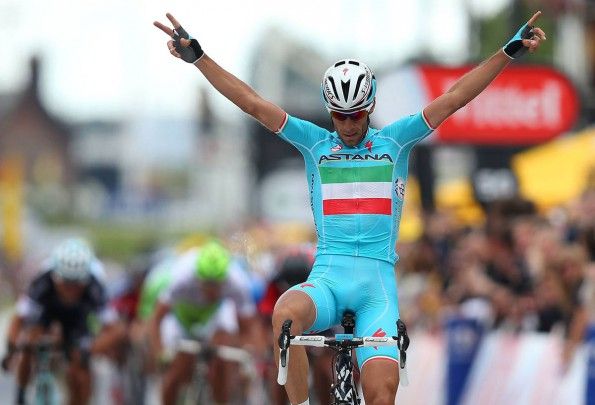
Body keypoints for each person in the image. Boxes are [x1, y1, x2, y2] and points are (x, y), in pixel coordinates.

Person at [154, 11, 546, 405]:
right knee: (284, 315)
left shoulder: (396, 141)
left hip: (376, 291)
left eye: (356, 113)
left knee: (380, 394)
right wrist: (200, 58)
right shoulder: (314, 143)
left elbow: (455, 97)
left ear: (370, 105)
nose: (348, 124)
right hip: (327, 279)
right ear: (329, 111)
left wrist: (507, 51)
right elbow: (253, 104)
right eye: (339, 115)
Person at [2, 238, 126, 405]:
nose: (70, 290)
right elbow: (18, 319)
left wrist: (90, 350)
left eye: (77, 284)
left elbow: (116, 330)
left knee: (80, 369)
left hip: (78, 318)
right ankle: (21, 394)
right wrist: (12, 349)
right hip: (48, 313)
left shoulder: (96, 286)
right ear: (55, 277)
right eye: (66, 283)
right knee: (28, 344)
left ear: (86, 280)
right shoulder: (42, 281)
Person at [147, 240, 264, 405]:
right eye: (207, 284)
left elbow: (250, 326)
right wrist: (160, 352)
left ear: (225, 278)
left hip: (214, 315)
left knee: (223, 354)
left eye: (217, 285)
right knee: (175, 371)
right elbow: (156, 319)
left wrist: (250, 358)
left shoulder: (237, 281)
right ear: (197, 277)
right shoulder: (181, 277)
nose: (212, 290)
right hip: (181, 318)